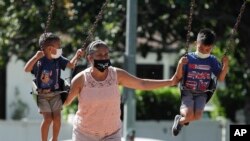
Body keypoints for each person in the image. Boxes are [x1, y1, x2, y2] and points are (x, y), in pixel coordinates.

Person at [64, 40, 178, 141]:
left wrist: (170, 82)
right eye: (99, 55)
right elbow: (65, 102)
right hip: (84, 135)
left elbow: (142, 83)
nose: (104, 58)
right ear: (90, 58)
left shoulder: (116, 74)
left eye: (106, 54)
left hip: (112, 134)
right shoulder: (80, 79)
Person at [24, 32, 83, 141]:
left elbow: (70, 65)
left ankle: (54, 139)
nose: (61, 49)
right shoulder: (39, 60)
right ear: (50, 49)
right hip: (42, 95)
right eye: (59, 47)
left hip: (56, 94)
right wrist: (35, 57)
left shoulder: (58, 59)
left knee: (57, 119)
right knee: (48, 119)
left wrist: (77, 55)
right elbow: (26, 69)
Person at [171, 28, 229, 136]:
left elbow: (220, 78)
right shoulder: (188, 58)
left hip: (202, 93)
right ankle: (182, 119)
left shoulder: (212, 60)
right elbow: (178, 77)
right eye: (201, 48)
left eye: (207, 49)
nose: (204, 51)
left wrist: (225, 66)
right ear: (195, 43)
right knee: (189, 116)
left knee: (197, 116)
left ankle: (180, 121)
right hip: (187, 91)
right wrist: (180, 64)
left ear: (212, 48)